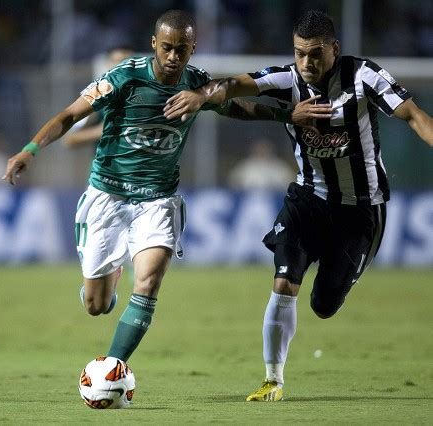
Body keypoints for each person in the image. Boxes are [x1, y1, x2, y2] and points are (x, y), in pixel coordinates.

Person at [2, 9, 332, 376]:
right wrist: (29, 151)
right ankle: (102, 287)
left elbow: (237, 107)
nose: (174, 57)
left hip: (158, 199)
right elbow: (68, 116)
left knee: (148, 282)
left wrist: (287, 114)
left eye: (182, 49)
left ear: (193, 48)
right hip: (108, 195)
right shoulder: (123, 78)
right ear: (154, 45)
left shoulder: (197, 83)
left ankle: (112, 369)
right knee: (96, 305)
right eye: (167, 48)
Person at [163, 10, 433, 402]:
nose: (306, 63)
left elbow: (414, 116)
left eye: (316, 54)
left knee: (324, 305)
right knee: (284, 280)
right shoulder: (287, 79)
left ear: (334, 50)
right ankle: (273, 379)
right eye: (300, 53)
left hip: (361, 209)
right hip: (308, 199)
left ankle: (335, 281)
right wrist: (200, 95)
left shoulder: (364, 76)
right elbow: (234, 85)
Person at [63, 45, 134, 149]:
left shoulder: (147, 96)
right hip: (105, 164)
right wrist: (103, 130)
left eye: (125, 61)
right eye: (116, 61)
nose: (120, 66)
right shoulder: (98, 97)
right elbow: (69, 139)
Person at [228, 137, 296, 191]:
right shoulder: (245, 166)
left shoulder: (280, 166)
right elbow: (233, 183)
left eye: (264, 148)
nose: (262, 151)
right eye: (259, 148)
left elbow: (290, 184)